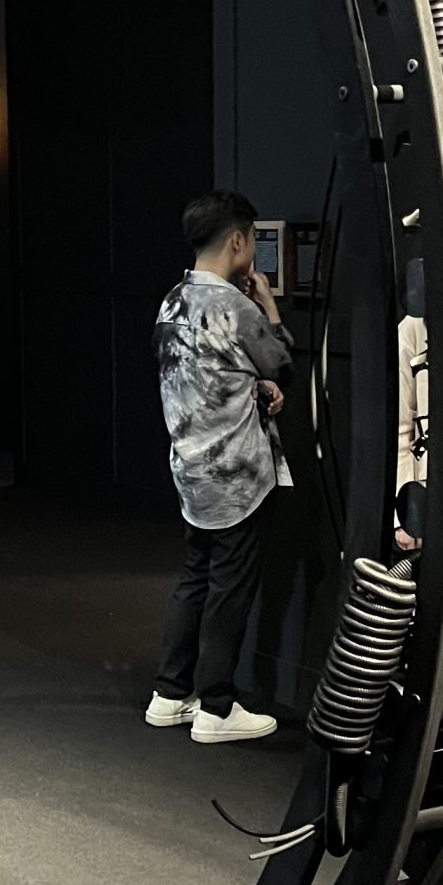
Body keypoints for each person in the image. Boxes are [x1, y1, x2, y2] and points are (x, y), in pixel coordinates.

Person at [147, 189, 293, 745]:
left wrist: (250, 385)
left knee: (194, 579)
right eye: (253, 239)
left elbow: (203, 374)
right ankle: (215, 707)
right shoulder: (235, 307)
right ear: (238, 240)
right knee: (231, 588)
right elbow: (282, 360)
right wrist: (271, 309)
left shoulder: (172, 300)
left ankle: (168, 693)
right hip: (237, 475)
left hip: (190, 468)